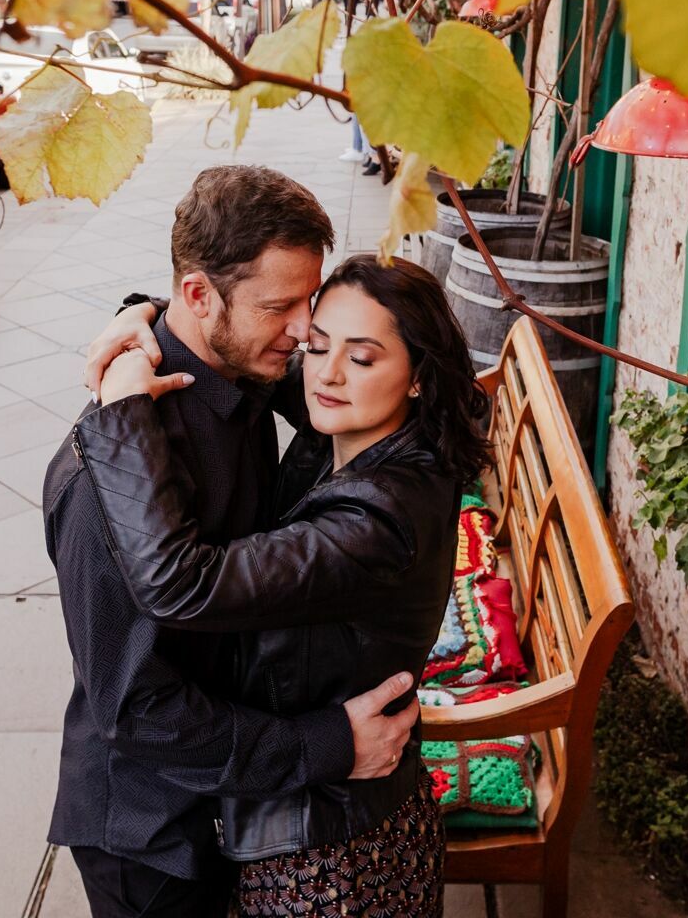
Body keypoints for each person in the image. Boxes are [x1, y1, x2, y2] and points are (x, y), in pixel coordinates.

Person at [42, 167, 419, 918]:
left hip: (229, 797)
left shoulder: (246, 363)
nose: (305, 330)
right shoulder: (107, 476)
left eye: (309, 301)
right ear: (198, 296)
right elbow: (138, 710)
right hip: (151, 840)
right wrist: (327, 745)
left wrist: (136, 311)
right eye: (280, 307)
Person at [78, 255, 489, 917]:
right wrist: (147, 312)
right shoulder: (368, 424)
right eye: (317, 343)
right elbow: (249, 349)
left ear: (417, 376)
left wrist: (123, 411)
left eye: (361, 357)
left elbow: (180, 582)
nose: (324, 372)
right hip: (340, 808)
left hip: (339, 859)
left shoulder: (374, 522)